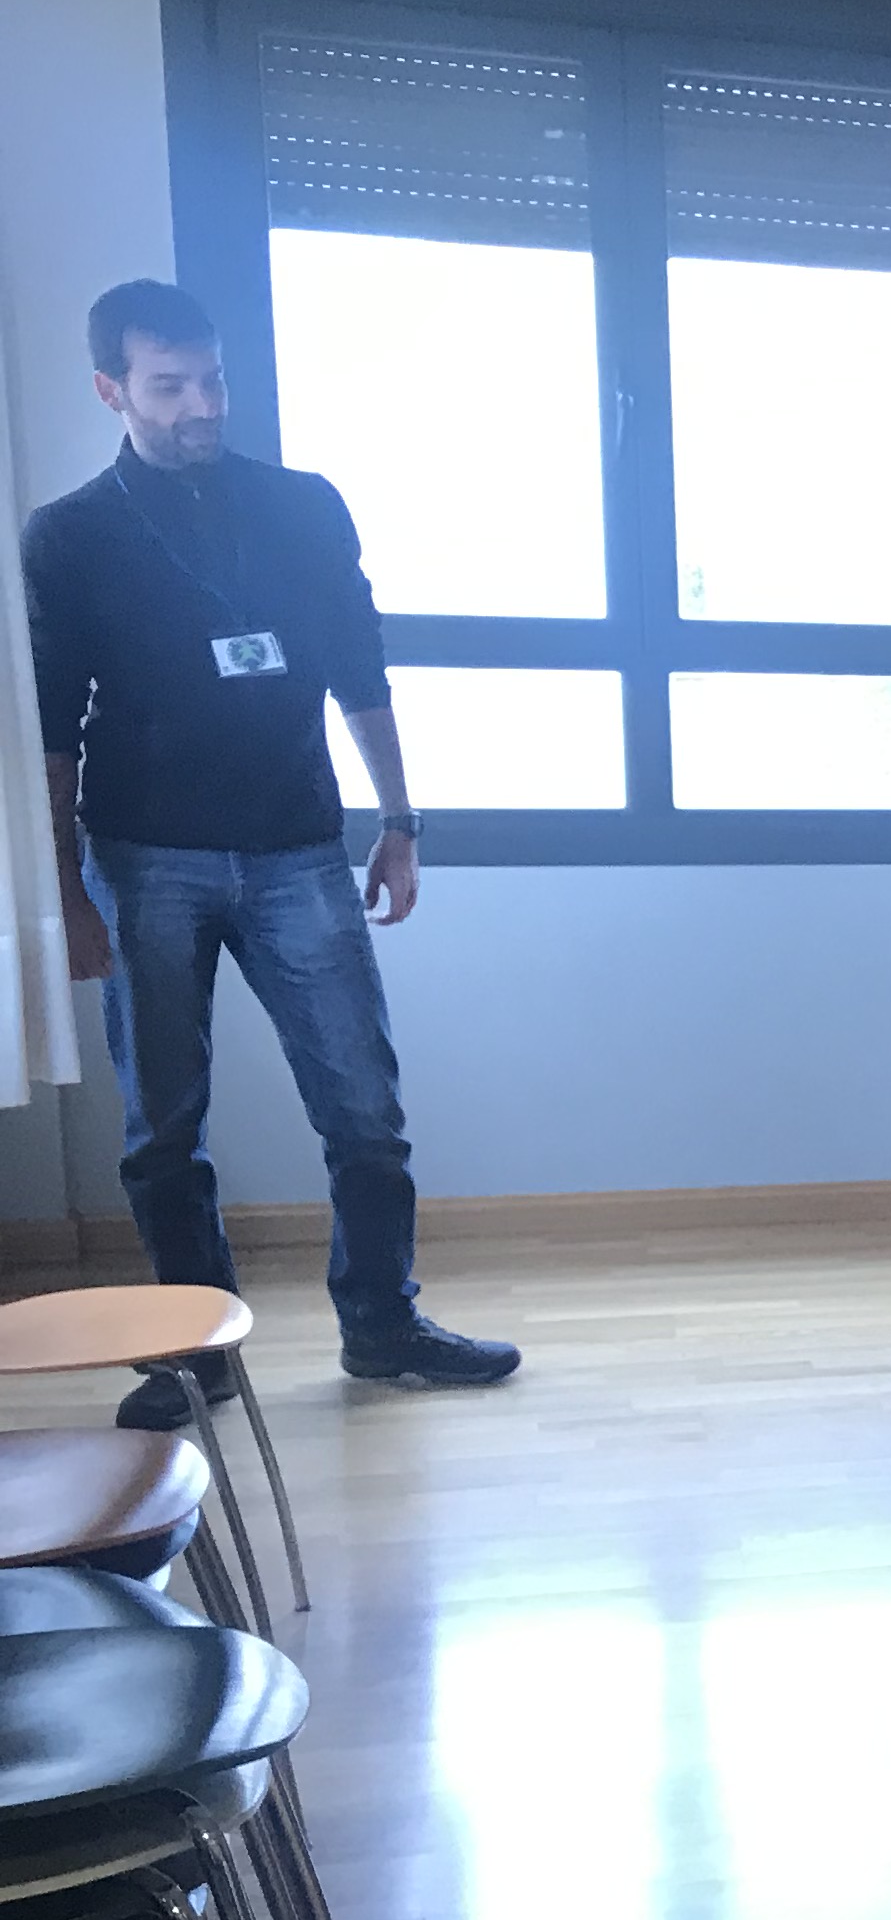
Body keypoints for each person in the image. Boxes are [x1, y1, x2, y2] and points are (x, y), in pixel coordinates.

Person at [18, 279, 516, 1420]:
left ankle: (383, 1326)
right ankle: (197, 1356)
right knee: (164, 1130)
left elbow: (360, 668)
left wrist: (400, 822)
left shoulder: (301, 506)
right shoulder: (71, 534)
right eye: (169, 385)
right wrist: (67, 894)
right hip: (143, 857)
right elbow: (51, 725)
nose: (202, 405)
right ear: (111, 391)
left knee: (365, 1111)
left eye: (214, 380)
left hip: (299, 849)